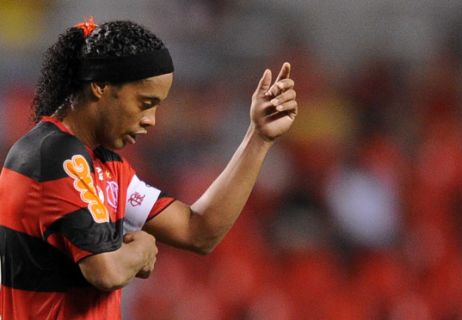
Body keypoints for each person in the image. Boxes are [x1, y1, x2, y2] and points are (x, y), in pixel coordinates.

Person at [0, 17, 297, 319]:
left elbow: (198, 231)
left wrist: (258, 138)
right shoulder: (54, 155)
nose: (151, 120)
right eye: (145, 103)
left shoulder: (105, 166)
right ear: (101, 86)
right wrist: (142, 250)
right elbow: (106, 271)